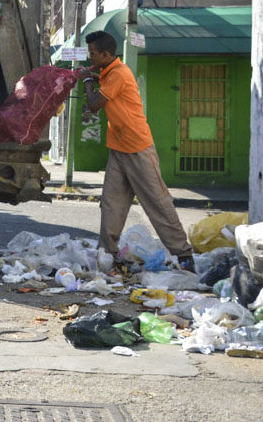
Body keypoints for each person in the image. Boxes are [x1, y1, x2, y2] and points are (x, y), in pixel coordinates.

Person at [81, 30, 195, 271]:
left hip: (137, 147)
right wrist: (94, 77)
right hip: (118, 148)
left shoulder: (118, 74)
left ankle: (183, 254)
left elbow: (93, 105)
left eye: (93, 53)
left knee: (157, 201)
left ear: (106, 54)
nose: (90, 57)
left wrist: (87, 81)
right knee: (111, 203)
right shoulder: (108, 71)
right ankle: (107, 255)